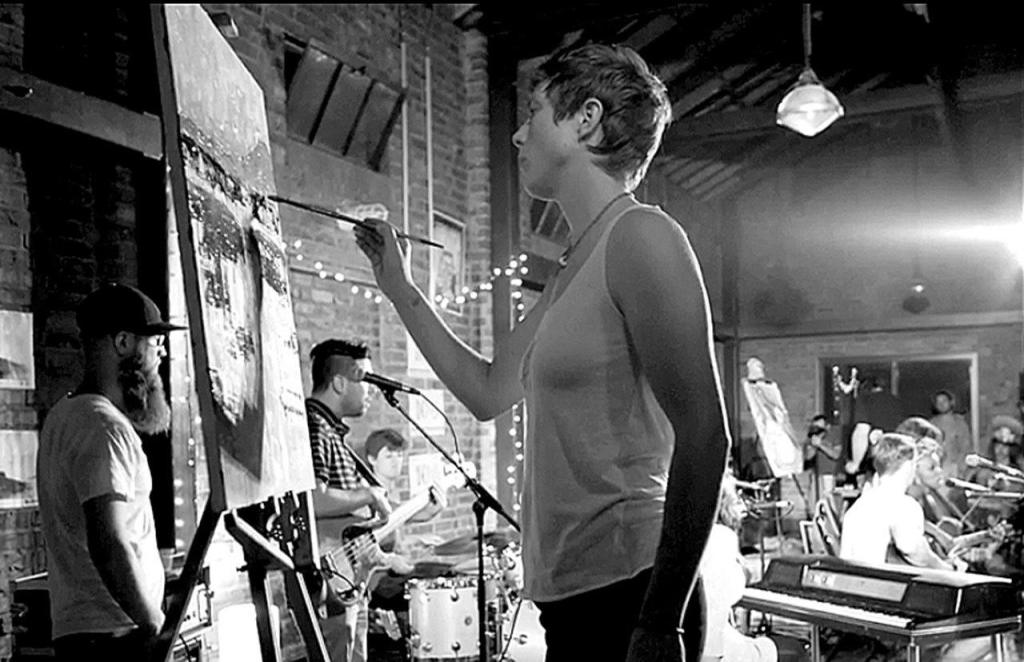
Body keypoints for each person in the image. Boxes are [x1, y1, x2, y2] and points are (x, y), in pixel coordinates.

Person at [355, 42, 729, 662]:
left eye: (533, 112)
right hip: (571, 598)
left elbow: (706, 434)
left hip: (632, 592)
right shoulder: (569, 268)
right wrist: (399, 287)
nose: (518, 133)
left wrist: (662, 621)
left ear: (586, 119)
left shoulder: (642, 236)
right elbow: (487, 392)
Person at [36, 283, 185, 660]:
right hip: (114, 638)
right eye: (155, 341)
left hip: (91, 634)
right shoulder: (103, 427)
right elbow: (108, 541)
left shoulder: (65, 415)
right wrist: (152, 621)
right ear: (123, 342)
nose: (162, 352)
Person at [304, 339, 413, 662]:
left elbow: (346, 511)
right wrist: (367, 494)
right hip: (332, 573)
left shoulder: (331, 431)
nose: (372, 391)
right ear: (339, 383)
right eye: (365, 379)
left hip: (350, 575)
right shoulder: (315, 426)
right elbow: (312, 498)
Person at [839, 433, 957, 571]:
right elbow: (914, 551)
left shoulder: (859, 505)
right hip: (878, 582)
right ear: (908, 466)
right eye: (914, 464)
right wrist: (946, 568)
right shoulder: (904, 505)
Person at [698, 472, 777, 662]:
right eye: (736, 500)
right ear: (724, 505)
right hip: (710, 648)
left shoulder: (684, 533)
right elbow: (718, 604)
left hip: (689, 643)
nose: (742, 506)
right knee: (772, 648)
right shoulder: (720, 538)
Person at [843, 376, 905, 485]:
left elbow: (862, 431)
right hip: (898, 458)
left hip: (877, 459)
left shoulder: (865, 400)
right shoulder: (896, 401)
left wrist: (855, 463)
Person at [928, 389, 973, 479]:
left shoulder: (959, 423)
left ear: (951, 402)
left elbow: (965, 447)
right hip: (937, 469)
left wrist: (959, 467)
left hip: (955, 468)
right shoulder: (931, 424)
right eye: (938, 402)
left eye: (944, 401)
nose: (941, 404)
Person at [804, 414, 841, 503]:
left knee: (828, 501)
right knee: (814, 502)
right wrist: (814, 445)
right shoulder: (812, 437)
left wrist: (821, 445)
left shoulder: (834, 436)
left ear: (827, 426)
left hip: (829, 474)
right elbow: (808, 456)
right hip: (816, 475)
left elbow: (836, 454)